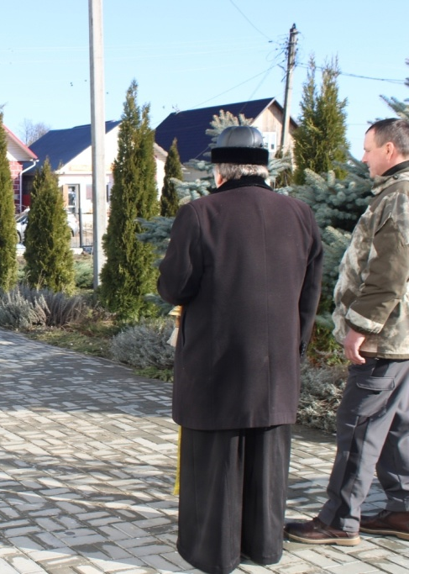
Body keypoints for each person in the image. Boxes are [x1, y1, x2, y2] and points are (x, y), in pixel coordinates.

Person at [157, 125, 323, 574]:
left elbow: (175, 286)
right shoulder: (301, 214)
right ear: (263, 168)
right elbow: (311, 293)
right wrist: (295, 347)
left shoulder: (200, 214)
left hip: (216, 364)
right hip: (277, 367)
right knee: (269, 463)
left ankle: (214, 553)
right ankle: (265, 547)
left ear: (219, 171)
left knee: (214, 462)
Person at [285, 118, 409, 546]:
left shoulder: (400, 196)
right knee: (394, 425)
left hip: (386, 339)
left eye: (369, 149)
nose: (364, 157)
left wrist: (361, 327)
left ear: (390, 150)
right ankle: (405, 509)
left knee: (359, 426)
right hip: (403, 338)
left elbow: (390, 272)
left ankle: (338, 520)